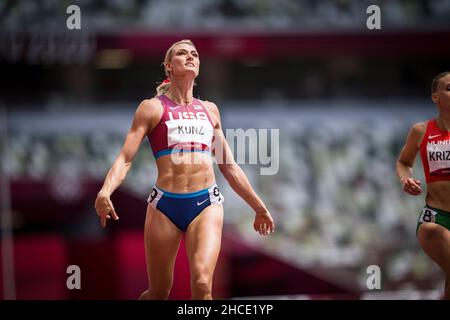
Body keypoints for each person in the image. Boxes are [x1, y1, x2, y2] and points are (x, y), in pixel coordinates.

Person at [94, 39, 275, 300]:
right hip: (164, 205)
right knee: (158, 292)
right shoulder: (152, 108)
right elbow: (125, 157)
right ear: (169, 66)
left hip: (206, 203)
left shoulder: (210, 110)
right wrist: (105, 191)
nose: (190, 57)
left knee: (202, 284)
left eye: (195, 54)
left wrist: (259, 207)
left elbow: (228, 165)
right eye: (182, 53)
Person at [396, 71, 450, 300]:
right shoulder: (421, 131)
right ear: (435, 97)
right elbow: (403, 162)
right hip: (436, 218)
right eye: (449, 88)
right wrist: (405, 179)